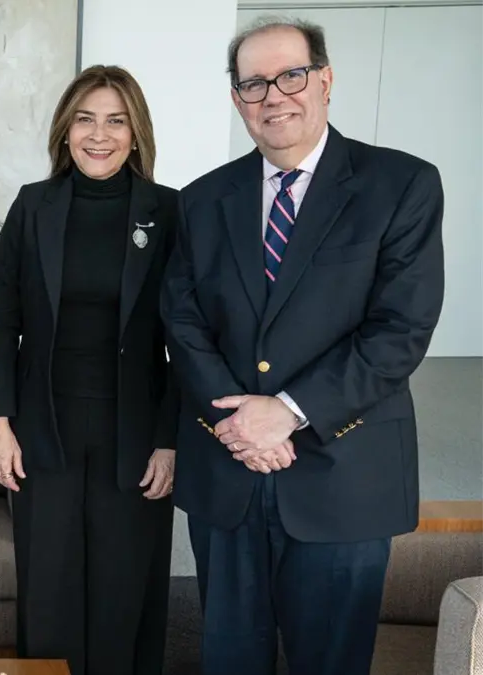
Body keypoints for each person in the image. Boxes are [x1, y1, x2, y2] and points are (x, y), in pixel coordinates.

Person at [161, 16, 445, 675]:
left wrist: (286, 409)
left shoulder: (400, 184)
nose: (274, 96)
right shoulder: (203, 200)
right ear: (236, 99)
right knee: (230, 657)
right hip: (228, 472)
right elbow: (182, 320)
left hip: (343, 475)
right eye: (254, 83)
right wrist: (239, 422)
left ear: (325, 79)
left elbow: (400, 329)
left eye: (290, 75)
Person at [0, 65, 180, 675]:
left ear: (136, 132)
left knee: (125, 591)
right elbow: (5, 318)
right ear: (66, 130)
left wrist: (170, 441)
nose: (100, 134)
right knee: (50, 588)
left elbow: (186, 340)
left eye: (116, 120)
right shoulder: (32, 205)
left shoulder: (169, 210)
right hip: (45, 428)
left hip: (135, 431)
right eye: (86, 119)